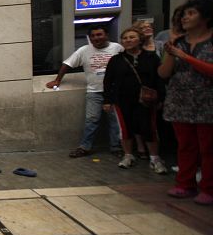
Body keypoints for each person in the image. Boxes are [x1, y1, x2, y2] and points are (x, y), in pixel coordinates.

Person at [158, 0, 213, 205]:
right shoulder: (177, 43)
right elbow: (163, 73)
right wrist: (171, 53)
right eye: (184, 14)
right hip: (180, 100)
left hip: (207, 101)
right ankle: (185, 184)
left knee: (208, 147)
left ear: (205, 17)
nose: (185, 18)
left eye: (191, 14)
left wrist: (185, 56)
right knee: (185, 145)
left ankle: (208, 188)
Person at [46, 26, 123, 157]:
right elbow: (67, 64)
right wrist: (57, 80)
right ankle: (85, 147)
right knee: (91, 120)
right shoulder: (84, 50)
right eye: (93, 36)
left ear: (107, 35)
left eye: (99, 34)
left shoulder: (117, 48)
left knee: (115, 121)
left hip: (114, 92)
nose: (96, 38)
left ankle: (116, 147)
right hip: (94, 92)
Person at [102, 28, 167, 173]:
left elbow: (159, 79)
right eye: (125, 38)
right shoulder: (116, 60)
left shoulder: (151, 58)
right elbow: (108, 81)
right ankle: (128, 155)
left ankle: (155, 158)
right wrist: (107, 100)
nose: (128, 40)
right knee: (125, 128)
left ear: (139, 40)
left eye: (132, 37)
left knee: (149, 128)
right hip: (122, 100)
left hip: (146, 101)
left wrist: (161, 98)